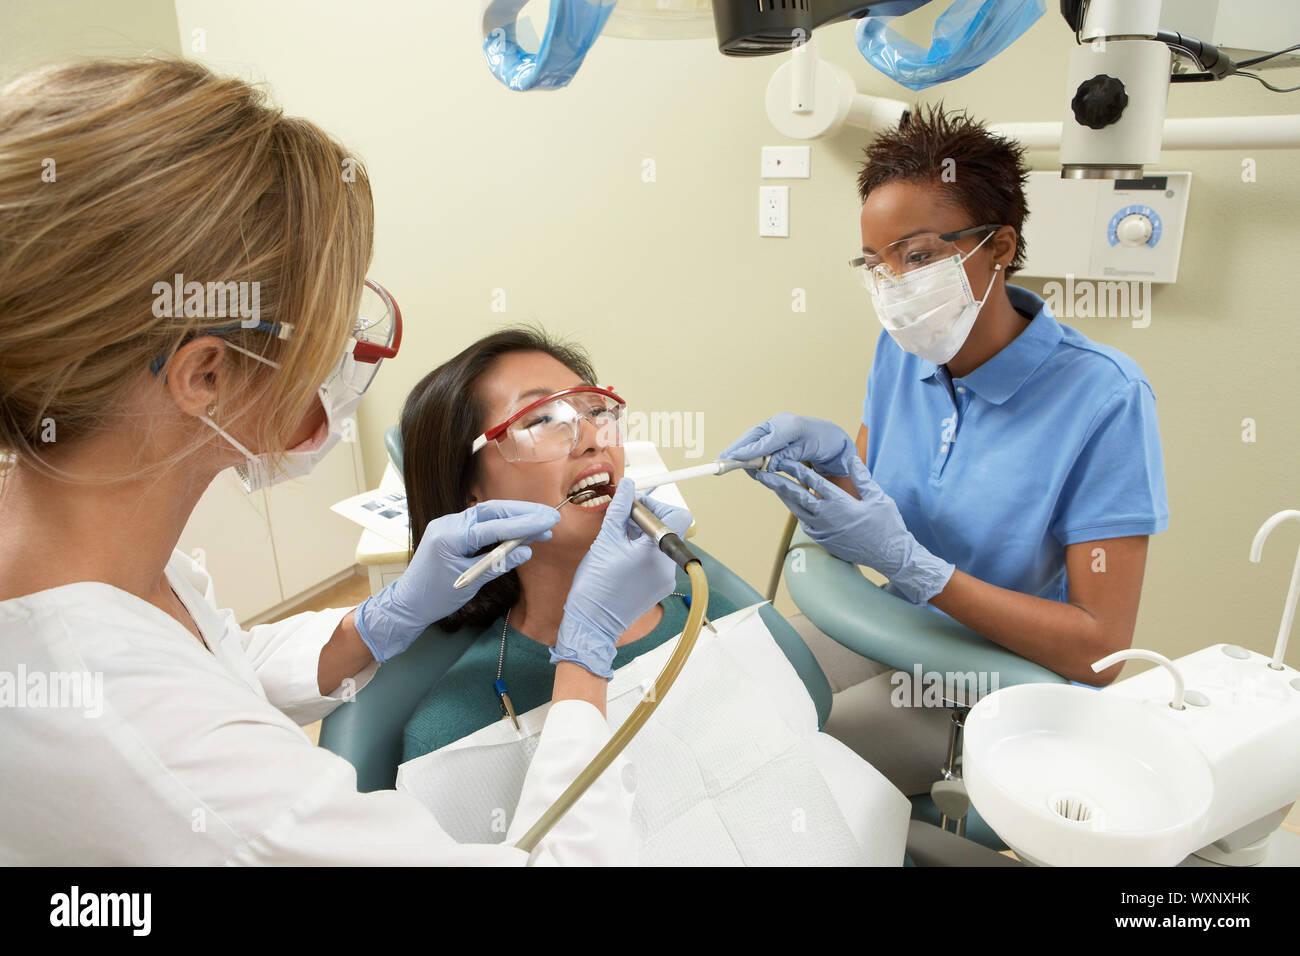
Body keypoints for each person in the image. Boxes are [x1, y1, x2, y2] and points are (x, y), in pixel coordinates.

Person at [0, 58, 675, 865]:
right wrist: (584, 659)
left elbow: (213, 660)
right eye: (326, 324)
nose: (346, 353)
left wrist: (376, 621)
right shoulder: (148, 740)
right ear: (205, 374)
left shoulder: (78, 540)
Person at [721, 104, 1169, 796]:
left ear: (999, 246)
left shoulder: (1104, 399)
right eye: (875, 263)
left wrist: (921, 570)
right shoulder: (900, 350)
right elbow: (865, 503)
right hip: (892, 631)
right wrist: (818, 473)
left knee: (778, 774)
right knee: (719, 703)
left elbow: (1100, 651)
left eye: (920, 255)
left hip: (992, 683)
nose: (895, 285)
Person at [397, 328, 736, 757]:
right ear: (471, 494)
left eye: (597, 411)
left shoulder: (711, 612)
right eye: (541, 420)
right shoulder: (451, 733)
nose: (594, 438)